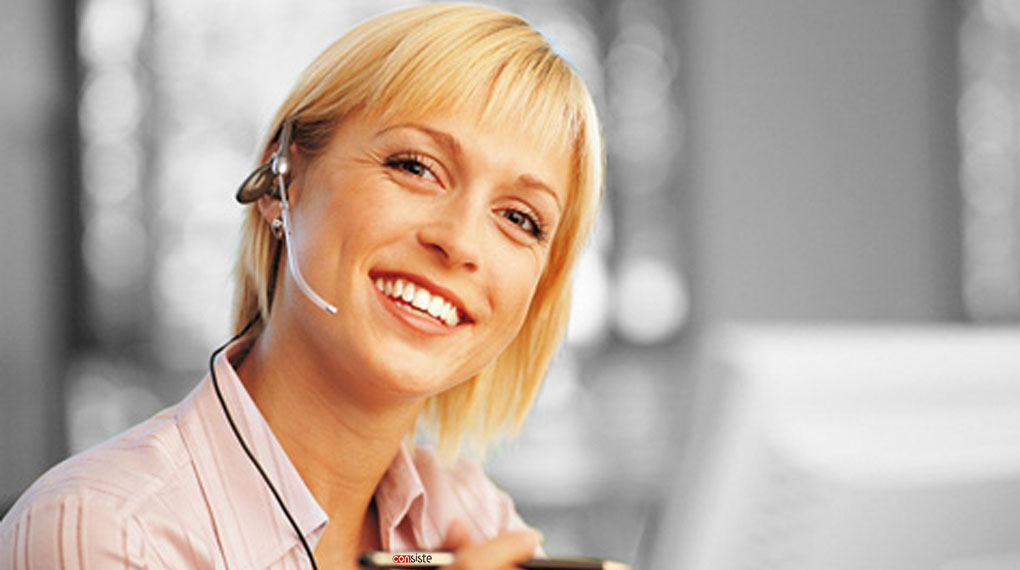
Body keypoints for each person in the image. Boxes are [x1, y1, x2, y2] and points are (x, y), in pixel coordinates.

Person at [0, 3, 603, 569]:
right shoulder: (102, 531)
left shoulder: (472, 518)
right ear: (280, 181)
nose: (461, 242)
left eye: (520, 218)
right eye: (415, 167)